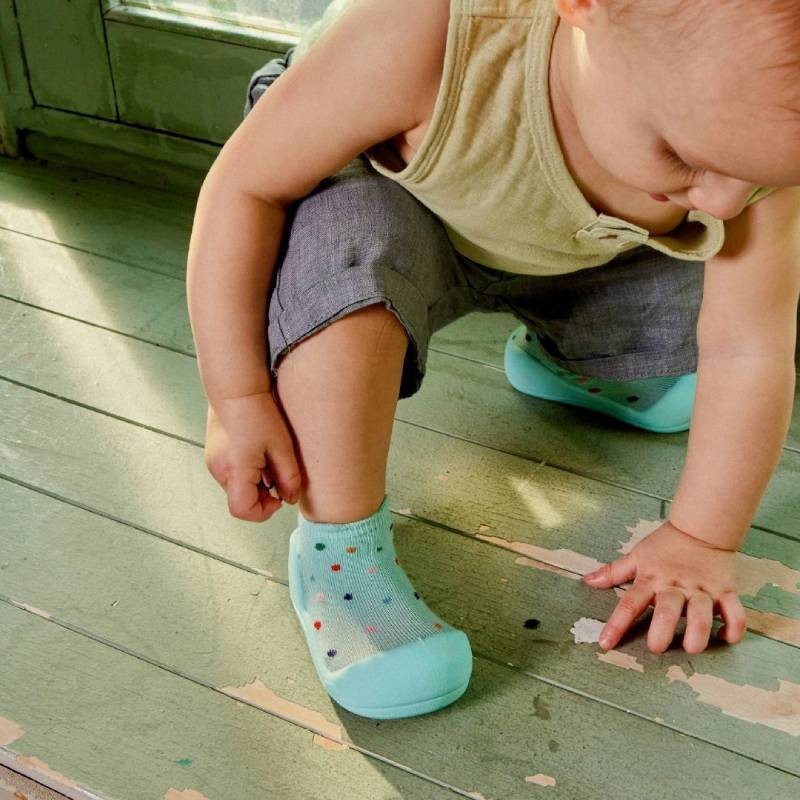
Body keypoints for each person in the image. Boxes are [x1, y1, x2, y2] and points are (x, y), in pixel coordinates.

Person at [186, 0, 800, 719]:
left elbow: (748, 344)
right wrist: (237, 395)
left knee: (713, 296)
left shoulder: (742, 127)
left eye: (756, 178)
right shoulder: (424, 33)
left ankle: (568, 357)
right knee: (346, 291)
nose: (726, 197)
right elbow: (245, 189)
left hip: (564, 243)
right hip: (390, 202)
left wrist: (701, 536)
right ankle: (340, 558)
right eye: (685, 155)